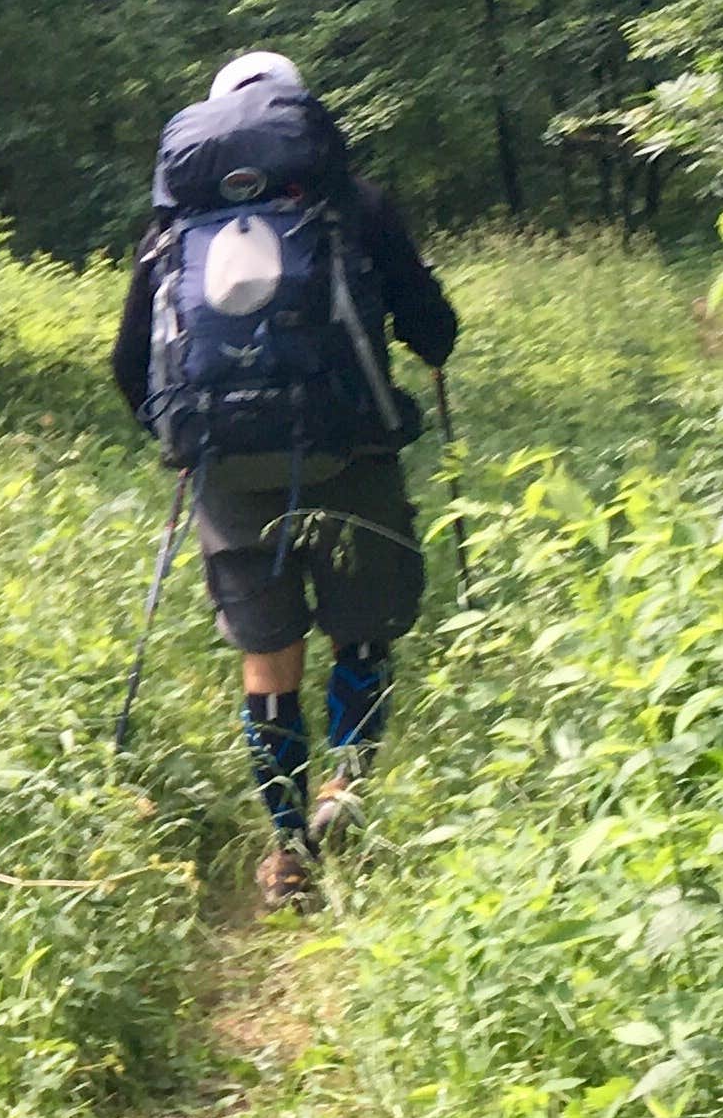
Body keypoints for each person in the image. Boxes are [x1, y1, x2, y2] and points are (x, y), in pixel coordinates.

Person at [109, 51, 460, 913]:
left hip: (227, 467)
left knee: (268, 665)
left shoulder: (170, 226)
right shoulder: (355, 203)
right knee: (364, 631)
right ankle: (346, 784)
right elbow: (432, 325)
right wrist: (427, 347)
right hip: (352, 452)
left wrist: (184, 438)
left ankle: (288, 844)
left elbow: (130, 364)